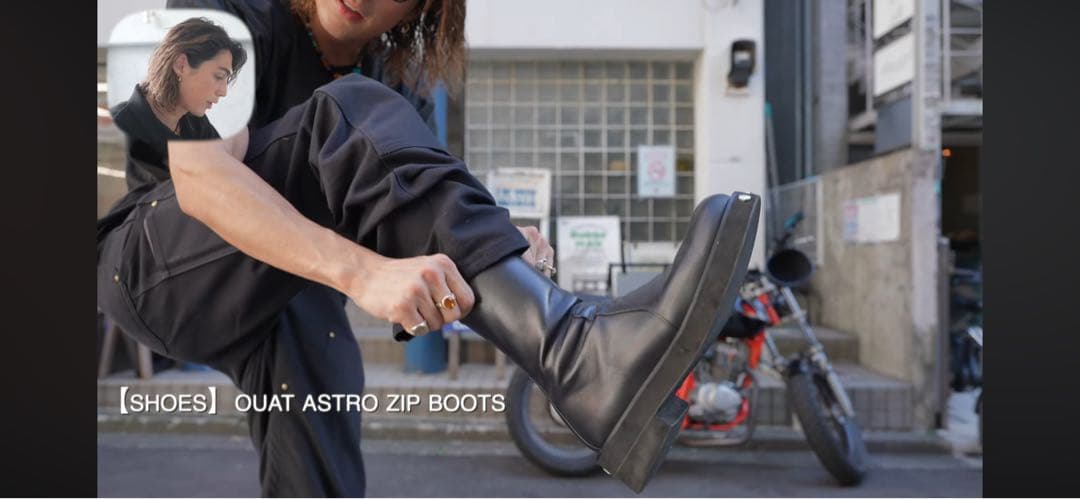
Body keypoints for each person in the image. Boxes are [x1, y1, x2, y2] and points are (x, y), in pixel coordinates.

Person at [97, 1, 761, 496]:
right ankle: (576, 352)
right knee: (344, 110)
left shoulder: (393, 84)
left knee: (323, 443)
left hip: (280, 292)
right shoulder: (239, 16)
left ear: (421, 10)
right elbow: (203, 176)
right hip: (153, 264)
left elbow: (420, 201)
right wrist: (364, 271)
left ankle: (585, 369)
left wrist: (500, 251)